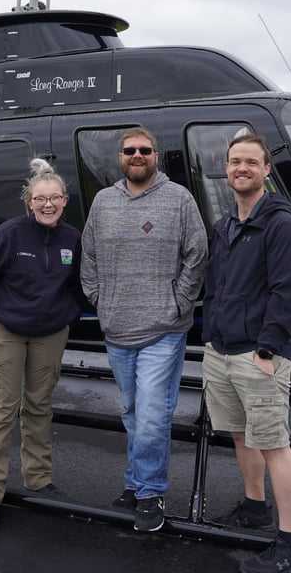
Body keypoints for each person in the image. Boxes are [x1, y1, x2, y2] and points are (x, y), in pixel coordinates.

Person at [80, 127, 207, 533]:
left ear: (156, 156)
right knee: (133, 412)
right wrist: (100, 299)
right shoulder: (103, 201)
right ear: (120, 157)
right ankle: (136, 484)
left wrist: (179, 304)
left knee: (152, 414)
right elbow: (89, 255)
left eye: (144, 150)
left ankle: (151, 492)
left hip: (162, 329)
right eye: (129, 150)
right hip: (117, 328)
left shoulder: (178, 199)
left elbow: (197, 253)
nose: (137, 155)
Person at [201, 133, 291, 573]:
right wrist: (211, 336)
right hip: (222, 350)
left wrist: (266, 350)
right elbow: (216, 286)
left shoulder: (281, 223)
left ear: (266, 170)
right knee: (240, 435)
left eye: (250, 161)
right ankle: (254, 507)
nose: (241, 168)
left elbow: (286, 291)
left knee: (274, 445)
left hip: (258, 355)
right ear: (225, 169)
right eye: (234, 161)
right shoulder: (226, 225)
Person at [0, 158, 89, 532]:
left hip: (50, 333)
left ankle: (39, 481)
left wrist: (67, 314)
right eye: (40, 199)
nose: (47, 205)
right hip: (8, 332)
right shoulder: (8, 235)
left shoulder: (72, 239)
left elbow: (78, 287)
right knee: (2, 409)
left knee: (39, 407)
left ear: (64, 201)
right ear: (29, 202)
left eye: (54, 198)